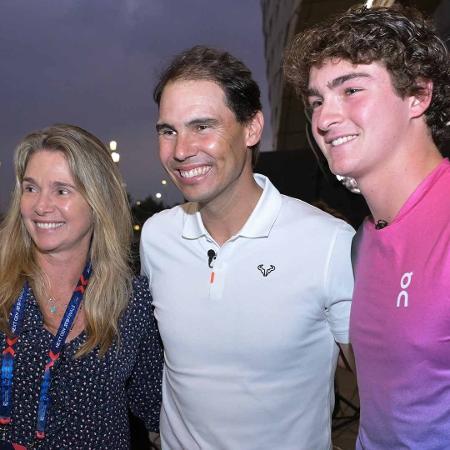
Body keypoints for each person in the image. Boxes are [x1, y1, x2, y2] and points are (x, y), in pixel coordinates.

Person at [140, 45, 354, 450]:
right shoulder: (157, 238)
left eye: (202, 126)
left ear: (252, 128)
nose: (181, 150)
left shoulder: (328, 243)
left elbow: (381, 385)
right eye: (168, 130)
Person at [284, 4, 450, 449]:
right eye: (317, 101)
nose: (323, 118)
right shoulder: (365, 240)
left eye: (351, 89)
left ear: (417, 94)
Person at [0, 124, 163, 449]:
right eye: (31, 188)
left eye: (61, 190)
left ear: (97, 202)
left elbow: (156, 409)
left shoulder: (132, 301)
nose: (40, 206)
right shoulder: (5, 288)